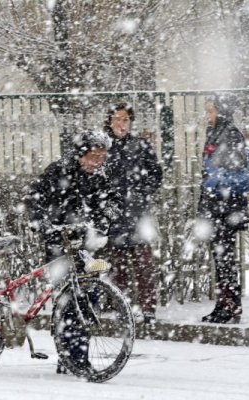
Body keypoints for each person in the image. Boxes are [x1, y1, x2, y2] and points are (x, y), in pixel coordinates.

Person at [24, 129, 119, 373]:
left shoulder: (100, 176)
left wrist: (105, 219)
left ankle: (75, 357)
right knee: (69, 301)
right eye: (94, 156)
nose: (99, 161)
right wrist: (41, 223)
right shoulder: (58, 172)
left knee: (88, 298)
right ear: (80, 154)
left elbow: (113, 203)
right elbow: (34, 198)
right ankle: (71, 358)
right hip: (59, 242)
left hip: (86, 245)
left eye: (102, 156)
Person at [198, 93, 249, 324]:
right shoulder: (216, 133)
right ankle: (225, 303)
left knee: (224, 258)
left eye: (211, 110)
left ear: (221, 112)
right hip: (217, 206)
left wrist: (216, 180)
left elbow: (240, 175)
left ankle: (230, 305)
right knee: (221, 258)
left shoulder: (230, 135)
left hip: (225, 207)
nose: (208, 115)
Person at [104, 102, 163, 324]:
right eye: (117, 119)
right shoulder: (104, 147)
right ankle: (122, 308)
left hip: (138, 215)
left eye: (125, 120)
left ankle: (148, 309)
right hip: (115, 214)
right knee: (117, 267)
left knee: (144, 264)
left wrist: (142, 193)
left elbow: (156, 174)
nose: (121, 124)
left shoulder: (140, 146)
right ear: (110, 121)